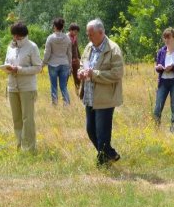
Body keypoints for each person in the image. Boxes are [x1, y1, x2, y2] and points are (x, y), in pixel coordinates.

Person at [78, 19, 124, 166]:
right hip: (89, 96)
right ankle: (110, 154)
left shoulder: (113, 49)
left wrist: (95, 74)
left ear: (101, 32)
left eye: (91, 34)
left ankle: (103, 163)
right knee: (90, 130)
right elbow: (82, 64)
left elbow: (117, 73)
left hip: (105, 98)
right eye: (87, 34)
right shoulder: (88, 47)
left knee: (102, 133)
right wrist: (80, 73)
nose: (89, 37)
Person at [4, 21, 42, 152]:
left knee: (28, 118)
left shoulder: (32, 47)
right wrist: (7, 68)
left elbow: (38, 68)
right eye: (14, 35)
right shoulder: (10, 47)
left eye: (18, 35)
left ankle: (30, 147)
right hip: (12, 87)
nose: (15, 38)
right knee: (16, 118)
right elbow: (6, 63)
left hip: (27, 87)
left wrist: (19, 70)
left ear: (24, 35)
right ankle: (19, 144)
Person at [153, 27, 174, 132]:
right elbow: (158, 66)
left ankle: (173, 131)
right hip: (163, 82)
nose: (167, 40)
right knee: (157, 107)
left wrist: (173, 67)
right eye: (165, 37)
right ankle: (156, 130)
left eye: (169, 37)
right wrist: (158, 68)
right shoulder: (161, 51)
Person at [42, 18, 72, 105]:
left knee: (53, 86)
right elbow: (69, 53)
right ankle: (67, 104)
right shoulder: (67, 39)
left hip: (53, 64)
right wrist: (70, 65)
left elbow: (47, 53)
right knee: (63, 86)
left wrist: (43, 63)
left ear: (54, 26)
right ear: (63, 27)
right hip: (64, 63)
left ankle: (54, 104)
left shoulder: (50, 38)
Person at [67, 23, 81, 94]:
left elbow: (76, 48)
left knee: (77, 77)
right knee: (65, 78)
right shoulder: (66, 37)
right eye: (75, 31)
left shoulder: (75, 37)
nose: (76, 33)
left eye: (77, 32)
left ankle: (77, 92)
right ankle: (65, 95)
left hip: (76, 61)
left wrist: (79, 58)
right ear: (70, 30)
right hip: (67, 62)